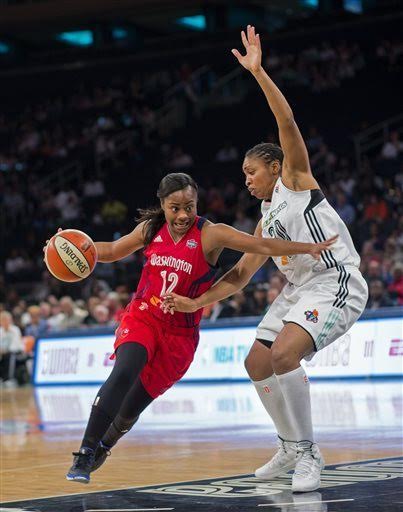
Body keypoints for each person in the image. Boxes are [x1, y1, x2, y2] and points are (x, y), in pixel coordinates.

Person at [161, 27, 368, 493]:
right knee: (257, 363)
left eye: (251, 171)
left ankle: (309, 452)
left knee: (284, 354)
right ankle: (291, 445)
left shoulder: (296, 181)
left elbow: (288, 125)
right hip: (300, 290)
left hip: (336, 280)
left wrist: (258, 73)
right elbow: (239, 275)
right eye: (243, 174)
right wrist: (197, 304)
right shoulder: (265, 216)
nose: (247, 180)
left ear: (274, 167)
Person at [47, 172, 335, 484]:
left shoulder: (211, 234)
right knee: (126, 369)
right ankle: (85, 452)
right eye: (175, 208)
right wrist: (71, 244)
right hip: (144, 316)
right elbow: (112, 250)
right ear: (162, 205)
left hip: (180, 336)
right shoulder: (150, 228)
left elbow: (259, 244)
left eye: (190, 207)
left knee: (131, 407)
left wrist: (306, 248)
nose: (184, 215)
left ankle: (103, 446)